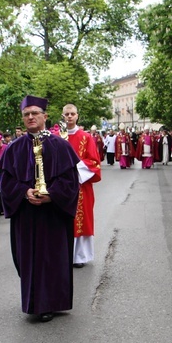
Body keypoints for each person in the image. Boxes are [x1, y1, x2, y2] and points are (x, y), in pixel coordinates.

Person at [0, 95, 80, 322]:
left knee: (52, 258)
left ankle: (50, 303)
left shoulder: (61, 146)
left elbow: (71, 182)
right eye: (26, 114)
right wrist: (24, 192)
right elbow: (6, 182)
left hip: (52, 214)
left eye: (35, 113)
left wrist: (51, 196)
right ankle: (35, 301)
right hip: (26, 215)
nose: (31, 117)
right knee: (29, 259)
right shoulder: (13, 149)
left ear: (45, 116)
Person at [63, 103, 102, 268]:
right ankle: (63, 255)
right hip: (61, 186)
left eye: (72, 114)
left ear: (77, 116)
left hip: (81, 185)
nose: (70, 117)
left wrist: (73, 166)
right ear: (63, 116)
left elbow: (94, 162)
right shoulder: (57, 137)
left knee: (81, 218)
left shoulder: (86, 137)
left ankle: (79, 256)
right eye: (67, 114)